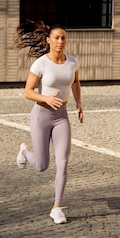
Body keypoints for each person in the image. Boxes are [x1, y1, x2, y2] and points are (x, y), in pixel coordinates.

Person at [12, 20, 84, 224]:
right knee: (42, 165)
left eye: (63, 38)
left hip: (61, 117)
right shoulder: (41, 63)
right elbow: (27, 92)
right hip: (41, 116)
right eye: (56, 38)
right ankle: (25, 151)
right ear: (48, 40)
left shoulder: (72, 62)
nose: (60, 41)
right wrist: (46, 98)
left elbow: (76, 82)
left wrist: (79, 104)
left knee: (63, 162)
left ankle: (57, 207)